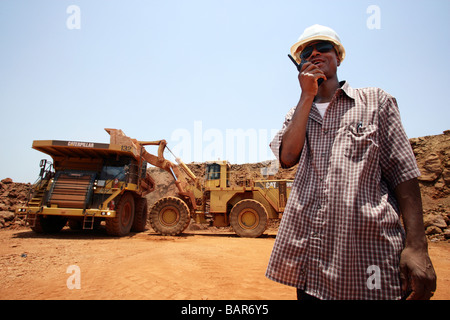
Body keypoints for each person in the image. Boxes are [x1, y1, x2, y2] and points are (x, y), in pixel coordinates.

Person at [265, 24, 436, 300]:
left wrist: (417, 246)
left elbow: (403, 173)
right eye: (307, 52)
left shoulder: (376, 102)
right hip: (313, 263)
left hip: (368, 260)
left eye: (324, 48)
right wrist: (306, 95)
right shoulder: (297, 113)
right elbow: (287, 157)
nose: (315, 54)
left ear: (339, 57)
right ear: (299, 64)